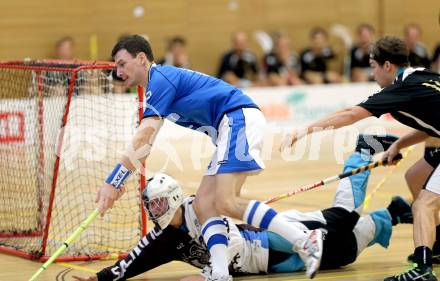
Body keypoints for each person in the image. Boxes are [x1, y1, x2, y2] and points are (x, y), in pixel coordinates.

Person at [97, 35, 323, 281]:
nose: (118, 71)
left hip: (237, 118)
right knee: (203, 204)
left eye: (121, 63)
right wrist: (122, 178)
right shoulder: (158, 83)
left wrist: (113, 181)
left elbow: (143, 137)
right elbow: (146, 145)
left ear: (141, 59)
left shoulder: (159, 78)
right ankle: (220, 273)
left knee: (226, 201)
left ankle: (304, 240)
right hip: (229, 126)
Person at [73, 134, 413, 281]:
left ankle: (362, 149)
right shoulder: (163, 238)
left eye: (160, 202)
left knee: (341, 220)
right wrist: (100, 278)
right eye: (151, 205)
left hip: (268, 237)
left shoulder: (201, 208)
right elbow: (132, 262)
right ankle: (394, 214)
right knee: (344, 253)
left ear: (176, 197)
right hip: (266, 266)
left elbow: (232, 242)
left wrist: (207, 274)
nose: (155, 210)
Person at [281, 36, 440, 281]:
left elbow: (350, 114)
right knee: (414, 177)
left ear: (388, 65)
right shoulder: (421, 76)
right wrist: (398, 144)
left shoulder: (399, 89)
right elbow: (431, 125)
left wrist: (304, 131)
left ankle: (423, 270)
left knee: (423, 205)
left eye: (373, 66)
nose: (372, 72)